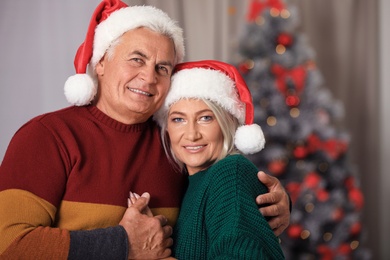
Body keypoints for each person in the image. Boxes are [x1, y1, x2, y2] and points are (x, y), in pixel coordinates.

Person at [0, 0, 290, 259]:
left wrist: (274, 201)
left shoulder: (174, 142)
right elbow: (8, 245)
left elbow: (221, 192)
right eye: (137, 59)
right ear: (101, 62)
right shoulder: (46, 137)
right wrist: (122, 244)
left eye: (162, 68)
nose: (148, 77)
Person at [156, 60, 285, 259]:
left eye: (205, 118)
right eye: (178, 119)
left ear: (226, 122)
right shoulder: (187, 181)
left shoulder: (229, 173)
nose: (191, 134)